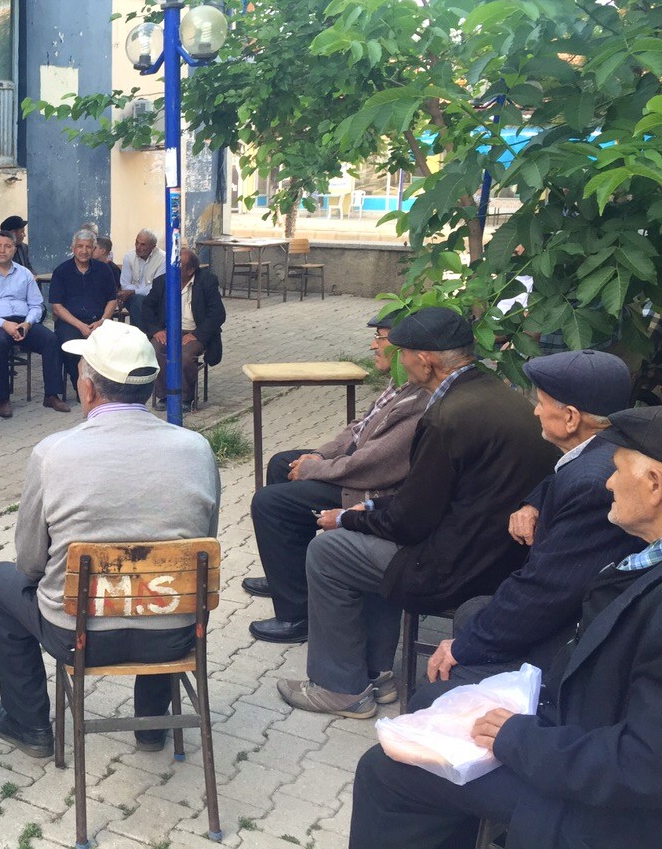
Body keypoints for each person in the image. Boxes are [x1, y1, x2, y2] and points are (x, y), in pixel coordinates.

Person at [349, 404, 662, 849]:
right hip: (582, 737)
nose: (608, 482)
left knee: (385, 771)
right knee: (438, 701)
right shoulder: (646, 557)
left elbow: (643, 768)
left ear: (654, 484)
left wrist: (519, 737)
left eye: (616, 470)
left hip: (610, 815)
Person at [278, 307, 558, 718]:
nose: (400, 360)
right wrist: (368, 509)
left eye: (404, 352)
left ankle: (339, 688)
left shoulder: (446, 418)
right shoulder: (501, 395)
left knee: (330, 552)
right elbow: (425, 499)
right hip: (501, 553)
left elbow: (409, 524)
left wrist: (348, 517)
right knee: (363, 541)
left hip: (461, 566)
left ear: (425, 361)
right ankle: (376, 675)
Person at [0, 321, 219, 757]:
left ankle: (30, 724)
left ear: (88, 390)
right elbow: (203, 543)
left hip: (79, 636)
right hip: (173, 633)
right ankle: (151, 728)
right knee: (162, 584)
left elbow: (29, 564)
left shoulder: (52, 453)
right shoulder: (197, 449)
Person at [416, 349, 642, 699]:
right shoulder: (608, 447)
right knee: (473, 610)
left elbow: (545, 592)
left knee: (433, 693)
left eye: (541, 403)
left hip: (574, 642)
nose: (536, 411)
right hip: (569, 608)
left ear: (570, 417)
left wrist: (463, 647)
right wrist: (533, 503)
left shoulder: (592, 484)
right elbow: (562, 476)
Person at [244, 315, 431, 644]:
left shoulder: (420, 399)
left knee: (269, 503)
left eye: (381, 338)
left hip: (372, 489)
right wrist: (318, 456)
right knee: (281, 464)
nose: (373, 345)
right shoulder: (400, 384)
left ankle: (297, 617)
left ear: (407, 348)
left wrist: (314, 469)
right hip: (357, 470)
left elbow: (373, 463)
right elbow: (357, 430)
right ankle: (287, 577)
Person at [0, 231, 70, 419]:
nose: (2, 250)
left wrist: (28, 323)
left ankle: (51, 395)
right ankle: (3, 398)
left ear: (14, 250)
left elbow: (36, 305)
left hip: (23, 322)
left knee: (51, 340)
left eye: (7, 246)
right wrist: (4, 324)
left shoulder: (24, 274)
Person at [140, 247, 226, 411]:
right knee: (153, 350)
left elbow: (217, 314)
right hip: (168, 330)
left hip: (194, 331)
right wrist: (156, 330)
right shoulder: (162, 281)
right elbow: (147, 307)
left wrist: (197, 335)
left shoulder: (207, 281)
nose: (172, 268)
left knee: (184, 355)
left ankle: (186, 398)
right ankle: (165, 395)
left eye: (178, 265)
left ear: (190, 270)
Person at [49, 228, 119, 392]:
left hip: (99, 322)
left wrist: (102, 321)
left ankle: (103, 388)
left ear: (94, 249)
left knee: (109, 348)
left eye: (88, 247)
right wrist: (80, 325)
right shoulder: (61, 271)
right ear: (73, 248)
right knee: (69, 346)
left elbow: (112, 300)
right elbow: (57, 307)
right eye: (80, 246)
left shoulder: (104, 270)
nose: (84, 250)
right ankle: (81, 387)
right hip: (71, 323)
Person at [119, 229, 164, 325]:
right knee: (137, 300)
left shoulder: (163, 259)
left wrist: (134, 291)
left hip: (154, 299)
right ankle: (146, 332)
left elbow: (157, 288)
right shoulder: (129, 256)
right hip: (132, 299)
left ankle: (141, 332)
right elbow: (125, 285)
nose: (138, 247)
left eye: (143, 244)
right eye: (137, 242)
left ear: (153, 246)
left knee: (139, 300)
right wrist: (136, 292)